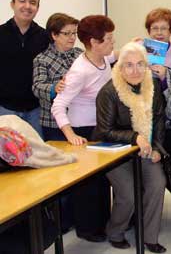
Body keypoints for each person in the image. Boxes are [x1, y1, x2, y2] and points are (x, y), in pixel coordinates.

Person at [93, 42, 167, 253]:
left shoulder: (152, 88)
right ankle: (115, 231)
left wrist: (157, 150)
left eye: (139, 64)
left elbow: (159, 122)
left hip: (145, 149)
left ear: (146, 66)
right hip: (114, 151)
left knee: (157, 183)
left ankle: (149, 236)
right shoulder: (109, 91)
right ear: (120, 67)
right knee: (128, 194)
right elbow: (105, 130)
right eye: (129, 65)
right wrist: (135, 137)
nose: (135, 70)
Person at [50, 15, 116, 242]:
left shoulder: (103, 58)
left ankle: (101, 225)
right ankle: (88, 230)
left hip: (100, 127)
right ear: (94, 43)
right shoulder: (80, 70)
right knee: (89, 186)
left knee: (102, 182)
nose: (112, 43)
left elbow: (116, 55)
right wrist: (71, 135)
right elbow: (58, 105)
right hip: (83, 130)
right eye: (108, 39)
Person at [0, 0, 50, 136]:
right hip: (4, 109)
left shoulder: (45, 37)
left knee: (38, 157)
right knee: (7, 157)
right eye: (22, 1)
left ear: (37, 7)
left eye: (33, 2)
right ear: (12, 4)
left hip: (36, 110)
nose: (27, 6)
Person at [32, 13, 83, 140]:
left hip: (79, 119)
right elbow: (37, 87)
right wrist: (54, 88)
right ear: (54, 35)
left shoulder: (80, 54)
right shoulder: (42, 59)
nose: (72, 37)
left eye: (74, 33)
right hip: (53, 123)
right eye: (67, 34)